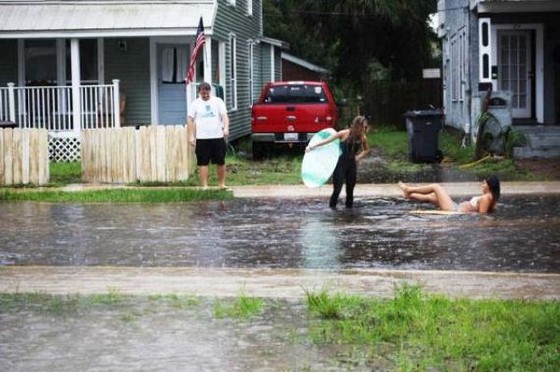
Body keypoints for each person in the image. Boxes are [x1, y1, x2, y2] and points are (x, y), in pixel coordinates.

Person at [306, 115, 370, 208]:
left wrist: (358, 157)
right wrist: (311, 147)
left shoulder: (363, 137)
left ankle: (349, 214)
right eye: (363, 127)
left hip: (352, 165)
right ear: (357, 126)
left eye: (365, 127)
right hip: (340, 164)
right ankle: (332, 211)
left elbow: (366, 150)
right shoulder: (344, 133)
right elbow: (326, 141)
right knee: (337, 190)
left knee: (350, 190)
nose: (364, 129)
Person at [187, 82, 230, 189]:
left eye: (207, 93)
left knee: (220, 161)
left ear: (210, 91)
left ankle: (221, 184)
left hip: (217, 136)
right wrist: (191, 136)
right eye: (203, 94)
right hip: (202, 137)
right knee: (203, 162)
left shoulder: (218, 101)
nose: (205, 95)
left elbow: (224, 116)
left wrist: (226, 128)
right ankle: (205, 186)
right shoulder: (195, 104)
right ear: (199, 93)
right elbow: (191, 120)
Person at [398, 175, 501, 213]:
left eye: (484, 183)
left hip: (455, 210)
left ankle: (409, 189)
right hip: (456, 207)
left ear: (489, 186)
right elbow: (489, 210)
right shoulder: (491, 198)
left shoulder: (486, 198)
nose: (482, 185)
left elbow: (482, 216)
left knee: (436, 187)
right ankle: (408, 195)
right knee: (432, 196)